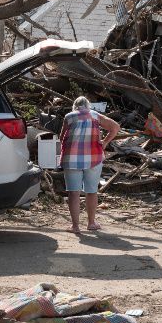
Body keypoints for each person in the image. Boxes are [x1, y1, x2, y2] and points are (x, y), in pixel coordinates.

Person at [58, 96, 121, 233]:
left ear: (75, 106)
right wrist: (104, 142)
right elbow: (115, 127)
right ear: (88, 106)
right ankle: (91, 223)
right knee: (92, 191)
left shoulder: (69, 116)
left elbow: (62, 138)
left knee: (73, 193)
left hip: (72, 159)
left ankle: (75, 226)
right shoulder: (95, 115)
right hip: (94, 157)